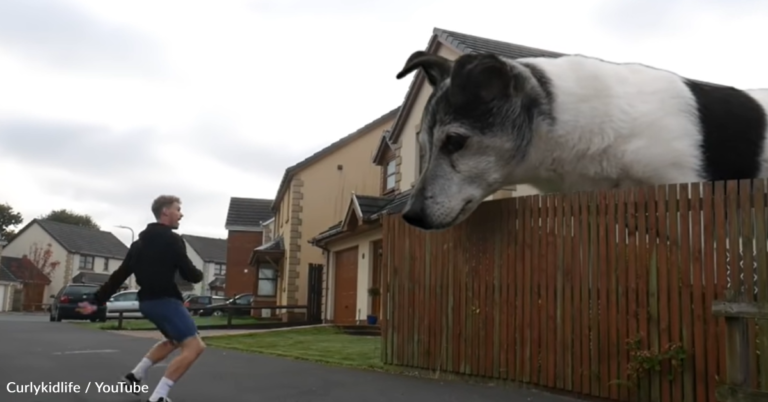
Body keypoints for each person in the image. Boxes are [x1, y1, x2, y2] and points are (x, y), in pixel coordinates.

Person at [77, 195, 205, 402]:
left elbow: (120, 275)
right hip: (166, 302)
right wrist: (198, 274)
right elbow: (190, 274)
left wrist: (96, 300)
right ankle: (159, 396)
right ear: (165, 212)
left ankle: (135, 376)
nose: (181, 214)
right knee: (195, 347)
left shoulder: (138, 244)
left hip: (147, 303)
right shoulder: (172, 239)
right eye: (178, 209)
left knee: (173, 341)